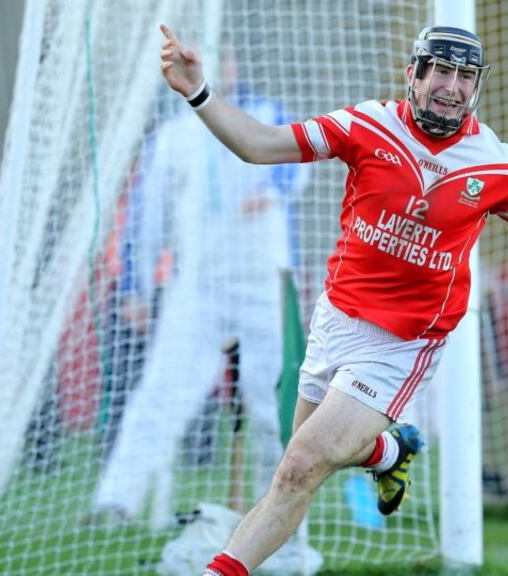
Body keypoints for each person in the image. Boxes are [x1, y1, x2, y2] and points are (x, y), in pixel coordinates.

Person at [156, 22, 508, 576]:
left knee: (299, 464)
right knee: (303, 464)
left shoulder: (496, 163)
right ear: (413, 72)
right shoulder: (367, 125)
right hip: (336, 320)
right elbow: (260, 145)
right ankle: (389, 453)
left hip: (402, 343)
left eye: (465, 76)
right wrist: (199, 91)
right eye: (441, 70)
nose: (452, 86)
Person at [92, 63, 309, 525]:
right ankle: (118, 500)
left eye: (221, 56)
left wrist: (271, 190)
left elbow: (297, 169)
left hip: (263, 286)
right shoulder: (172, 137)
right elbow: (146, 216)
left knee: (272, 401)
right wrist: (137, 286)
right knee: (161, 393)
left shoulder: (268, 114)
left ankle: (277, 507)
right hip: (198, 288)